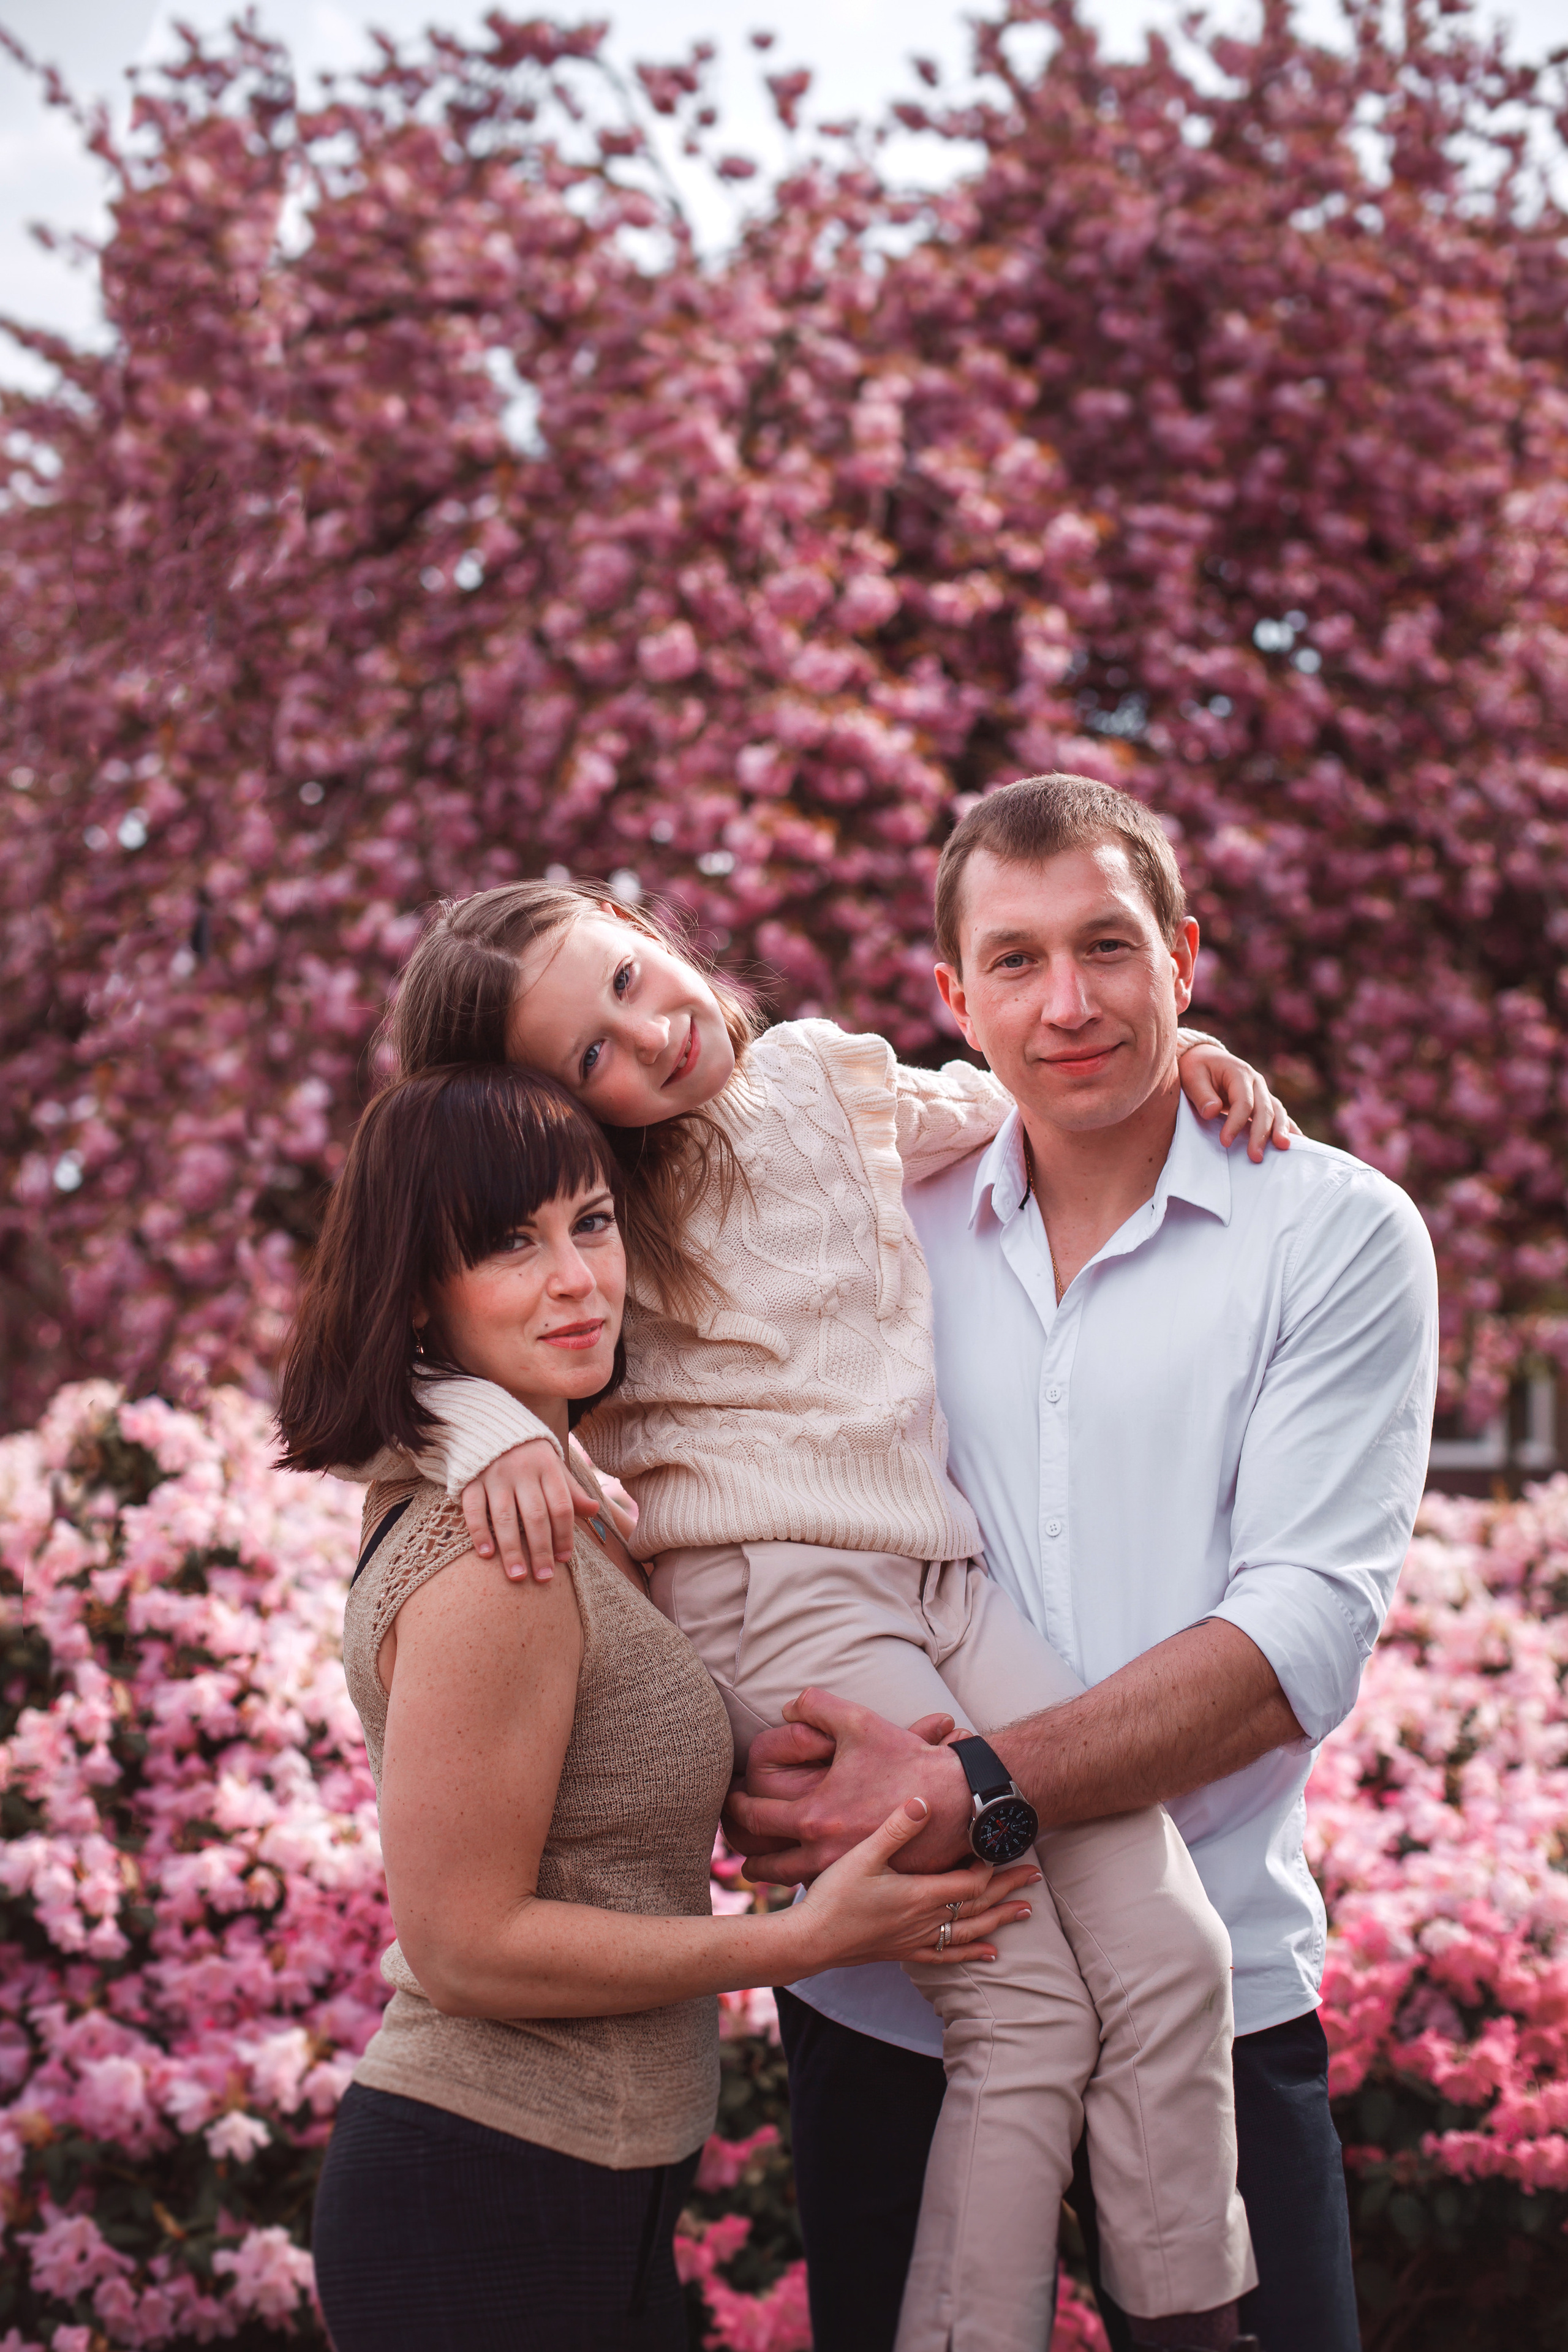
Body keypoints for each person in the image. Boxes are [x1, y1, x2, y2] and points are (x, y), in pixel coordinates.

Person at [368, 884, 1297, 2352]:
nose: (647, 1033)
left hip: (935, 1568)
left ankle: (1194, 2312)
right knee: (1028, 2017)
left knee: (1174, 1939)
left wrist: (1180, 1061)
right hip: (773, 1592)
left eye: (629, 977)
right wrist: (478, 1428)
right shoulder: (611, 1209)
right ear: (556, 1112)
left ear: (649, 926)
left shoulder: (827, 1072)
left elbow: (1045, 1104)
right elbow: (409, 1313)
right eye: (588, 1057)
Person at [724, 772, 1441, 2352]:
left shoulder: (1329, 1235)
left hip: (1214, 1978)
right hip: (901, 1979)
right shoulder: (873, 1215)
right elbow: (546, 1253)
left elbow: (1291, 1644)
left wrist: (961, 1783)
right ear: (949, 999)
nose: (1068, 1002)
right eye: (1017, 961)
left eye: (1108, 949)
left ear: (1183, 959)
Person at [274, 1061, 1032, 2352]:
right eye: (509, 1245)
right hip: (479, 2197)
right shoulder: (492, 1551)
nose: (577, 1278)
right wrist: (792, 1944)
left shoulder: (570, 1503)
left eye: (591, 1222)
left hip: (593, 2188)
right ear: (419, 1289)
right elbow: (465, 1944)